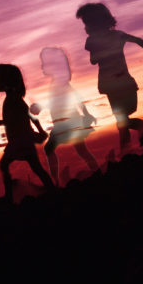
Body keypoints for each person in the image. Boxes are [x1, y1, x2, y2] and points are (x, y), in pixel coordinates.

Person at [75, 2, 143, 152]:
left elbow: (93, 61)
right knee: (122, 122)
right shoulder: (118, 35)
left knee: (122, 122)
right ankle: (128, 149)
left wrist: (99, 49)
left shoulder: (93, 41)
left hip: (112, 85)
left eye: (86, 23)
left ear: (94, 23)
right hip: (123, 82)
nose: (85, 27)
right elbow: (138, 40)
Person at [0, 64, 55, 201]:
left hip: (20, 140)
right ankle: (51, 190)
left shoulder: (13, 99)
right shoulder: (13, 98)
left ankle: (9, 197)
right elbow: (21, 118)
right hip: (23, 139)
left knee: (4, 165)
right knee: (36, 167)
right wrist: (39, 130)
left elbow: (20, 117)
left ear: (6, 80)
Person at [36, 47, 100, 184]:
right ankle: (97, 172)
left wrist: (39, 107)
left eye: (45, 63)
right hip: (67, 122)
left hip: (67, 123)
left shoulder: (59, 84)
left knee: (50, 149)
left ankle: (56, 181)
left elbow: (74, 98)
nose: (42, 66)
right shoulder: (58, 83)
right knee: (81, 150)